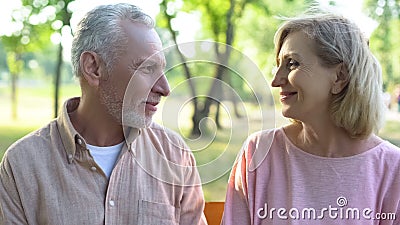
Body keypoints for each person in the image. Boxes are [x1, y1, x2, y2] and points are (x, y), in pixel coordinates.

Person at [0, 3, 207, 225]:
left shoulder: (175, 155)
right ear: (94, 67)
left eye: (161, 69)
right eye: (147, 68)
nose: (164, 89)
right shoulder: (22, 164)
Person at [222, 11, 400, 225]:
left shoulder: (393, 169)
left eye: (292, 64)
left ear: (340, 77)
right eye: (278, 64)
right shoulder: (258, 153)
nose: (276, 80)